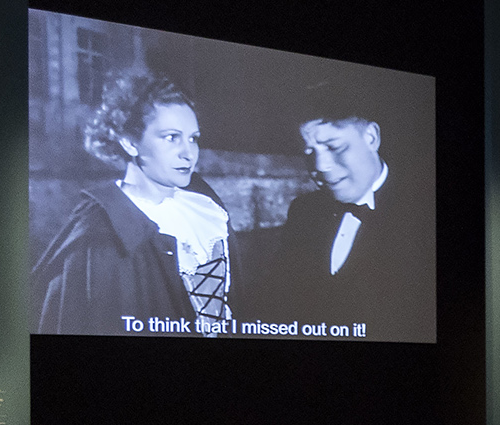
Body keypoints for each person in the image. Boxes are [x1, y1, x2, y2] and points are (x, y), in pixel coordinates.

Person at [32, 71, 234, 336]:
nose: (189, 153)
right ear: (129, 143)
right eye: (171, 137)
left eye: (193, 138)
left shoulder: (206, 209)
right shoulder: (98, 232)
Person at [265, 112, 431, 339]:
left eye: (335, 147)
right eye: (309, 152)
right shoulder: (303, 210)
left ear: (371, 137)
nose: (321, 166)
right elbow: (279, 299)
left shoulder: (426, 213)